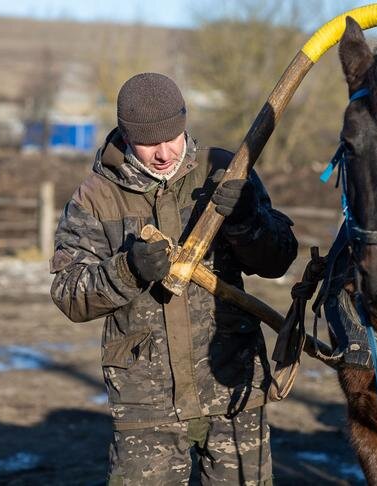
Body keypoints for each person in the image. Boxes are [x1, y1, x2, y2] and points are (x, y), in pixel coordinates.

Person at [50, 72, 298, 485]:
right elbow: (68, 294)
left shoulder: (225, 170)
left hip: (231, 388)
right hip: (146, 407)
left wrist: (246, 220)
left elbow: (278, 260)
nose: (164, 153)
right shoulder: (95, 197)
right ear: (126, 138)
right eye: (148, 143)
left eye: (173, 137)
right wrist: (128, 271)